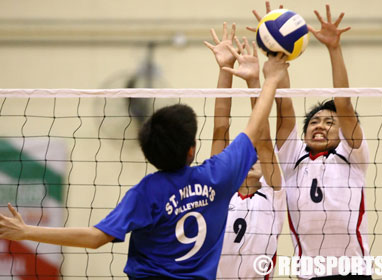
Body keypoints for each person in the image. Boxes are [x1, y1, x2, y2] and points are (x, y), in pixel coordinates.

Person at [0, 43, 289, 279]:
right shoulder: (216, 178)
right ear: (192, 150)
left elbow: (94, 237)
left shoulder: (147, 191)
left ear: (149, 155)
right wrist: (269, 79)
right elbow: (254, 126)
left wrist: (27, 231)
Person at [251, 3, 372, 279]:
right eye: (314, 122)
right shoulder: (294, 160)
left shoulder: (351, 156)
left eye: (329, 122)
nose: (319, 126)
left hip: (354, 272)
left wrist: (334, 49)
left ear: (341, 131)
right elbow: (285, 110)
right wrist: (276, 57)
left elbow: (343, 103)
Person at [204, 23, 286, 279]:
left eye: (257, 155)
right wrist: (225, 70)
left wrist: (254, 80)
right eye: (245, 156)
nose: (252, 158)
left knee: (261, 137)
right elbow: (220, 129)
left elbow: (263, 138)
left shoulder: (275, 195)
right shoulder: (219, 189)